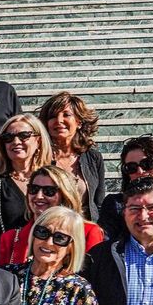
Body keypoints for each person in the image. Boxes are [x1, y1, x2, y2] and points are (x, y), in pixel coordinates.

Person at [0, 112, 53, 266]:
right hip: (7, 264)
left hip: (49, 262)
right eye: (8, 138)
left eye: (24, 136)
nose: (15, 142)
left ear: (38, 140)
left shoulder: (55, 180)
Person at [0, 165, 105, 265]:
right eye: (33, 189)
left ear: (65, 195)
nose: (39, 196)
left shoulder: (87, 232)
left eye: (49, 191)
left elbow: (92, 274)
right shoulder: (10, 238)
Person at [40, 91, 105, 220]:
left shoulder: (93, 158)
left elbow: (99, 203)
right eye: (53, 116)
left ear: (79, 122)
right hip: (50, 226)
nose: (59, 120)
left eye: (66, 115)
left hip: (85, 228)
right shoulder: (40, 157)